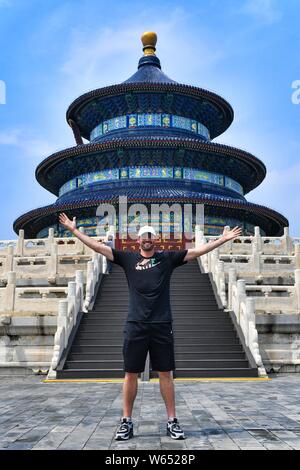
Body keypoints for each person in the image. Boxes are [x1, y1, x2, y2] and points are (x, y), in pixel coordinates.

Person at [58, 212, 242, 441]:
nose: (147, 239)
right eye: (143, 236)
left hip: (162, 325)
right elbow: (98, 247)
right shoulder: (127, 259)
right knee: (130, 374)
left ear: (156, 240)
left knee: (166, 373)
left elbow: (196, 252)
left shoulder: (167, 259)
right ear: (138, 240)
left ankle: (172, 421)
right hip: (135, 324)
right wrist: (74, 231)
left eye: (151, 236)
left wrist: (222, 240)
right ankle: (126, 421)